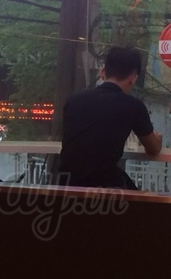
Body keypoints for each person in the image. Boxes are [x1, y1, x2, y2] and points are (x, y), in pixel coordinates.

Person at [57, 45, 162, 189]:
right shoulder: (133, 106)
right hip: (103, 188)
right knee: (143, 199)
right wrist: (158, 139)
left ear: (102, 73)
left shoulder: (73, 101)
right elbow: (153, 149)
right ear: (133, 79)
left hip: (66, 186)